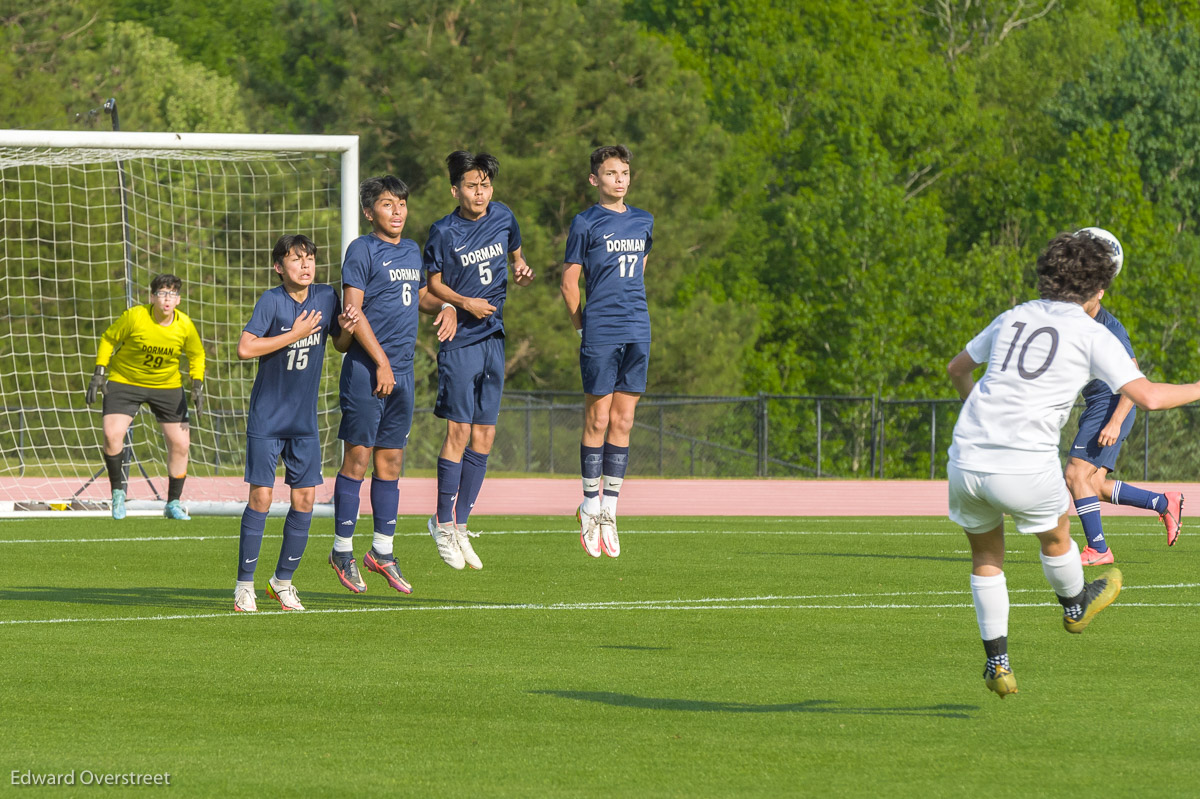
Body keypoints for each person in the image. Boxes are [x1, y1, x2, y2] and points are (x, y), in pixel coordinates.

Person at [946, 230, 1200, 699]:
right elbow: (1149, 397)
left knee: (986, 558)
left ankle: (997, 661)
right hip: (1023, 463)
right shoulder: (1092, 331)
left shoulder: (1013, 315)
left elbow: (957, 368)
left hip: (966, 456)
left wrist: (971, 413)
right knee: (1058, 533)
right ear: (1098, 289)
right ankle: (1076, 603)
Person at [327, 176, 457, 595]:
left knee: (391, 465)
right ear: (370, 212)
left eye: (402, 202)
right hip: (369, 371)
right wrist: (381, 363)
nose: (398, 210)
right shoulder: (362, 250)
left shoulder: (412, 249)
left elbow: (417, 295)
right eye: (387, 204)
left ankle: (381, 551)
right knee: (358, 461)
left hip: (402, 373)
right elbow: (352, 310)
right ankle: (342, 550)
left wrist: (450, 303)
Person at [232, 235, 358, 613]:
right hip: (267, 419)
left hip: (303, 422)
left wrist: (348, 327)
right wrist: (294, 335)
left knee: (305, 499)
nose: (305, 265)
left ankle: (282, 583)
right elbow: (245, 347)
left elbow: (341, 345)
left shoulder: (326, 296)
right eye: (295, 259)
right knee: (262, 497)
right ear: (278, 267)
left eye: (310, 259)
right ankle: (244, 586)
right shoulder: (271, 301)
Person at [424, 151, 534, 571]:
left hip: (494, 337)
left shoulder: (503, 216)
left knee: (484, 438)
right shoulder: (443, 231)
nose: (480, 192)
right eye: (472, 185)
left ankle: (462, 524)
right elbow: (432, 282)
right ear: (456, 190)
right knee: (459, 431)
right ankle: (441, 521)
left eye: (485, 185)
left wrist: (521, 268)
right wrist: (461, 302)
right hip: (460, 342)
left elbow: (516, 255)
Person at [1062, 228, 1183, 566]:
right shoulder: (1071, 315)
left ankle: (1098, 549)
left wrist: (1115, 421)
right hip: (1098, 404)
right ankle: (1163, 503)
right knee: (1094, 483)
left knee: (1074, 474)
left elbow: (1134, 377)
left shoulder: (1108, 327)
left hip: (1113, 404)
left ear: (1099, 291)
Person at [560, 145, 654, 559]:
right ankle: (589, 505)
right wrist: (584, 325)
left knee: (625, 419)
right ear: (594, 179)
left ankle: (611, 509)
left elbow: (641, 274)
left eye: (625, 172)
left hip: (638, 329)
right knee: (597, 418)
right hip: (600, 330)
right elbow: (569, 283)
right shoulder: (585, 222)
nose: (620, 179)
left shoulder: (644, 221)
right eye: (611, 173)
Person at [85, 273, 205, 521]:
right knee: (111, 435)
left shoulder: (185, 325)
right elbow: (109, 338)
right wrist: (99, 371)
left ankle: (173, 503)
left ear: (179, 300)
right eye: (162, 293)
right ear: (152, 297)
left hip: (167, 385)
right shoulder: (135, 316)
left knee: (181, 444)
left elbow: (197, 355)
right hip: (125, 381)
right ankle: (118, 493)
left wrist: (197, 384)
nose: (166, 299)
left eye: (172, 294)